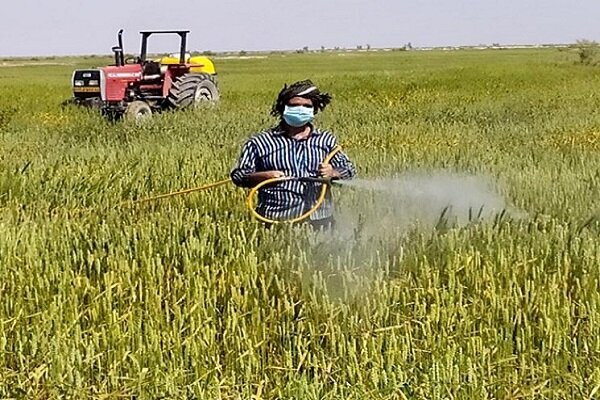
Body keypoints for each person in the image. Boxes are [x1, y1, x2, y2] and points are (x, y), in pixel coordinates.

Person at [230, 79, 356, 229]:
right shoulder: (259, 142)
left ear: (314, 110)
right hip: (276, 221)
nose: (301, 109)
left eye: (307, 106)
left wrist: (333, 172)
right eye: (294, 105)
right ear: (283, 108)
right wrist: (264, 177)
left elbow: (349, 171)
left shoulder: (326, 140)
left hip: (320, 220)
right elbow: (239, 176)